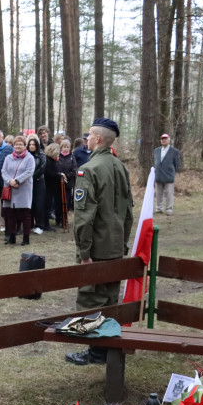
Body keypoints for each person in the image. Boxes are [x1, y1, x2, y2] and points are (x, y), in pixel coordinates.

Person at [64, 118, 134, 366]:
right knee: (110, 300)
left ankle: (94, 352)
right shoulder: (119, 167)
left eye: (90, 135)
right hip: (115, 246)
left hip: (96, 248)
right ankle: (104, 350)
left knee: (91, 300)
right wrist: (122, 244)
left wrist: (84, 252)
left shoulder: (89, 169)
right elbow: (129, 213)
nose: (87, 139)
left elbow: (84, 218)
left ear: (99, 140)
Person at [0, 136, 36, 246]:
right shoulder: (8, 158)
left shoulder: (29, 158)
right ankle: (11, 236)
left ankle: (26, 238)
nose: (18, 146)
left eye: (20, 144)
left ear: (25, 146)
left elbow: (29, 171)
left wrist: (17, 180)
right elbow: (3, 171)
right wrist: (9, 181)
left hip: (23, 189)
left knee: (25, 215)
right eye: (16, 144)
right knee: (10, 214)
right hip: (9, 188)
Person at [153, 133, 183, 215]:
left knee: (169, 194)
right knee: (159, 194)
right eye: (162, 139)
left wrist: (172, 172)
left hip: (169, 176)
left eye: (165, 138)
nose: (164, 140)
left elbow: (177, 164)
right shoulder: (156, 150)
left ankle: (169, 209)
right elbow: (155, 162)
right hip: (158, 175)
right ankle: (159, 208)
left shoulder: (175, 151)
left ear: (169, 140)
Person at [27, 136, 49, 234]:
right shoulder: (26, 155)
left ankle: (40, 225)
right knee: (29, 204)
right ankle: (30, 224)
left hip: (39, 181)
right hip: (28, 183)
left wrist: (32, 176)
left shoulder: (41, 155)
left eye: (33, 145)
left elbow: (42, 168)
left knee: (39, 204)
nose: (31, 146)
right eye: (30, 144)